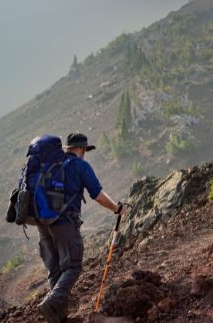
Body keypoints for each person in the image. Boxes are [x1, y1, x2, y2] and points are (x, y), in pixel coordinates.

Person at [37, 132, 127, 323]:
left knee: (56, 270)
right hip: (64, 223)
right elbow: (98, 194)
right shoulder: (80, 165)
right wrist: (116, 208)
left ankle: (58, 317)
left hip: (42, 223)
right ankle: (51, 303)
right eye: (85, 149)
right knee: (73, 267)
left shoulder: (51, 164)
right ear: (82, 149)